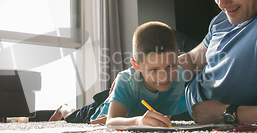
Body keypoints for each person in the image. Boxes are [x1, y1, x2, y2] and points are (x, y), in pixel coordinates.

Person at [50, 21, 187, 127]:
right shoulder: (126, 80)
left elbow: (164, 114)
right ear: (136, 66)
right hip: (99, 110)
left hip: (128, 103)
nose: (164, 77)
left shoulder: (178, 76)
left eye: (170, 66)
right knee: (73, 116)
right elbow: (111, 121)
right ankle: (63, 108)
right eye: (154, 70)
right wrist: (137, 121)